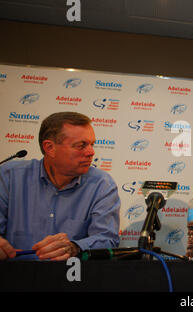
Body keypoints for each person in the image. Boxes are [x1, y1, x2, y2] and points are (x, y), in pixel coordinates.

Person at [0, 112, 121, 261]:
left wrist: (74, 247)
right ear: (50, 148)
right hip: (13, 278)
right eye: (81, 145)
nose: (91, 152)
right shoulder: (9, 177)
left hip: (73, 279)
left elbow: (107, 240)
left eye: (92, 144)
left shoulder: (101, 184)